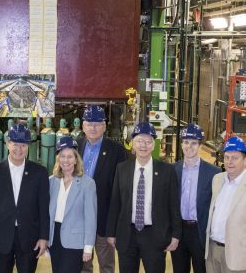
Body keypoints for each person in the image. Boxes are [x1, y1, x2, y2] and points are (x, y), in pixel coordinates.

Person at [106, 122, 181, 273]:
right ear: (133, 144)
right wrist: (111, 233)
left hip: (155, 236)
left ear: (154, 145)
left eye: (148, 141)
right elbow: (115, 203)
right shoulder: (122, 169)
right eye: (139, 141)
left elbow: (173, 205)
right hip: (127, 235)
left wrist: (176, 235)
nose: (143, 145)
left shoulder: (167, 171)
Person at [0, 124, 50, 273]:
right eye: (15, 144)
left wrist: (43, 237)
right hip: (1, 238)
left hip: (29, 238)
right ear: (7, 143)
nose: (19, 149)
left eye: (23, 145)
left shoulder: (39, 172)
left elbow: (43, 207)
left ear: (28, 146)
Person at [205, 136, 246, 273]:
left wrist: (245, 239)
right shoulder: (217, 180)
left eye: (235, 158)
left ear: (245, 160)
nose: (230, 162)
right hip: (213, 251)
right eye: (227, 157)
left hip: (239, 255)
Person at [78, 105, 127, 273]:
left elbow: (121, 189)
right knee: (83, 265)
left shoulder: (117, 151)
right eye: (89, 123)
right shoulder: (75, 146)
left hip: (104, 220)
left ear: (105, 126)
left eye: (98, 123)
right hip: (79, 219)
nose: (93, 127)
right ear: (83, 125)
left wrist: (115, 224)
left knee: (106, 265)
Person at [171, 124, 220, 273]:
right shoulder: (172, 170)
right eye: (186, 142)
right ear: (181, 144)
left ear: (200, 145)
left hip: (200, 233)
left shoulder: (213, 173)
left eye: (193, 143)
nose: (189, 146)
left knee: (202, 269)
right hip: (178, 232)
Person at [48, 136, 97, 273]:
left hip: (75, 241)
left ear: (76, 159)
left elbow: (90, 218)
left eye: (70, 157)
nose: (66, 160)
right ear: (58, 159)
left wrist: (88, 246)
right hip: (55, 238)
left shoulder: (87, 184)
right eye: (62, 156)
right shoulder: (51, 181)